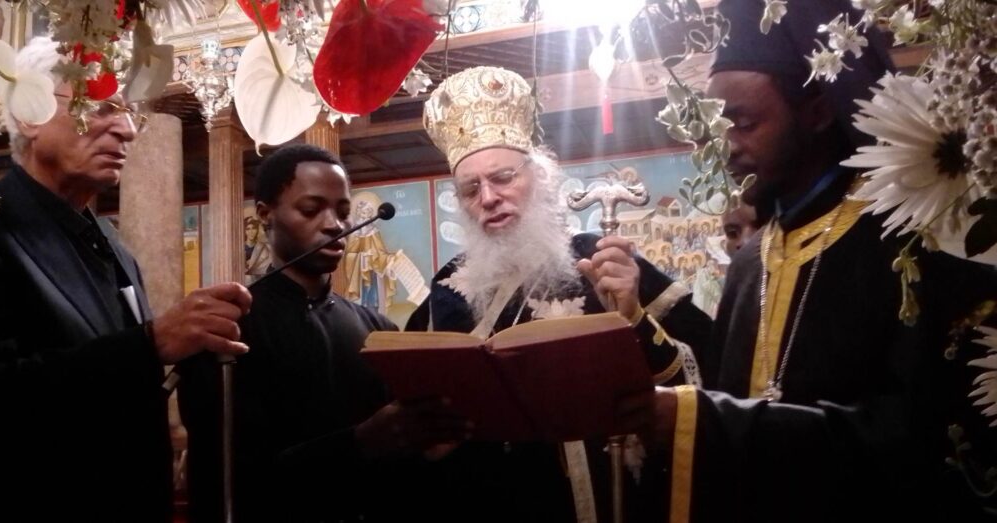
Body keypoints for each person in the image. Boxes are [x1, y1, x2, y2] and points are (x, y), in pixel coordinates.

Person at [614, 1, 997, 521]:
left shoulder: (909, 239)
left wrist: (699, 421)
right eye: (720, 125)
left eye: (744, 123)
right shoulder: (750, 264)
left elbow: (915, 438)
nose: (727, 146)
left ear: (817, 111)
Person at [407, 65, 712, 523]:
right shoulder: (447, 288)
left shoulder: (601, 260)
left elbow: (706, 381)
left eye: (503, 177)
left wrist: (634, 317)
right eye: (471, 189)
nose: (488, 197)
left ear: (541, 178)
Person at [0, 37, 252, 522]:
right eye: (99, 107)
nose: (125, 130)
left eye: (127, 113)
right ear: (29, 114)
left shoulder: (112, 244)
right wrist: (150, 344)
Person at [179, 144, 468, 522]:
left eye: (343, 212)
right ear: (266, 214)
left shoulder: (379, 330)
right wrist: (360, 441)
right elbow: (227, 480)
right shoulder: (227, 329)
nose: (334, 225)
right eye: (311, 209)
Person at [243, 215, 271, 283]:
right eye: (248, 229)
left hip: (259, 281)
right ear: (244, 231)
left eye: (253, 228)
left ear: (257, 230)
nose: (251, 231)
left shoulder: (264, 248)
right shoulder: (239, 247)